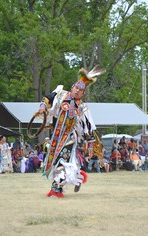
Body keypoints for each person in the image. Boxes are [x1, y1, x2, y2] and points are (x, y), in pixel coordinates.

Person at [38, 65, 105, 198]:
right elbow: (47, 98)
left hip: (69, 139)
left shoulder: (83, 108)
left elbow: (88, 128)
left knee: (63, 163)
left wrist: (91, 145)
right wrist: (43, 106)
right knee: (55, 163)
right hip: (55, 137)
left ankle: (55, 190)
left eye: (81, 90)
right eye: (76, 88)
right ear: (72, 87)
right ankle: (78, 176)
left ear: (83, 93)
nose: (77, 91)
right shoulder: (60, 94)